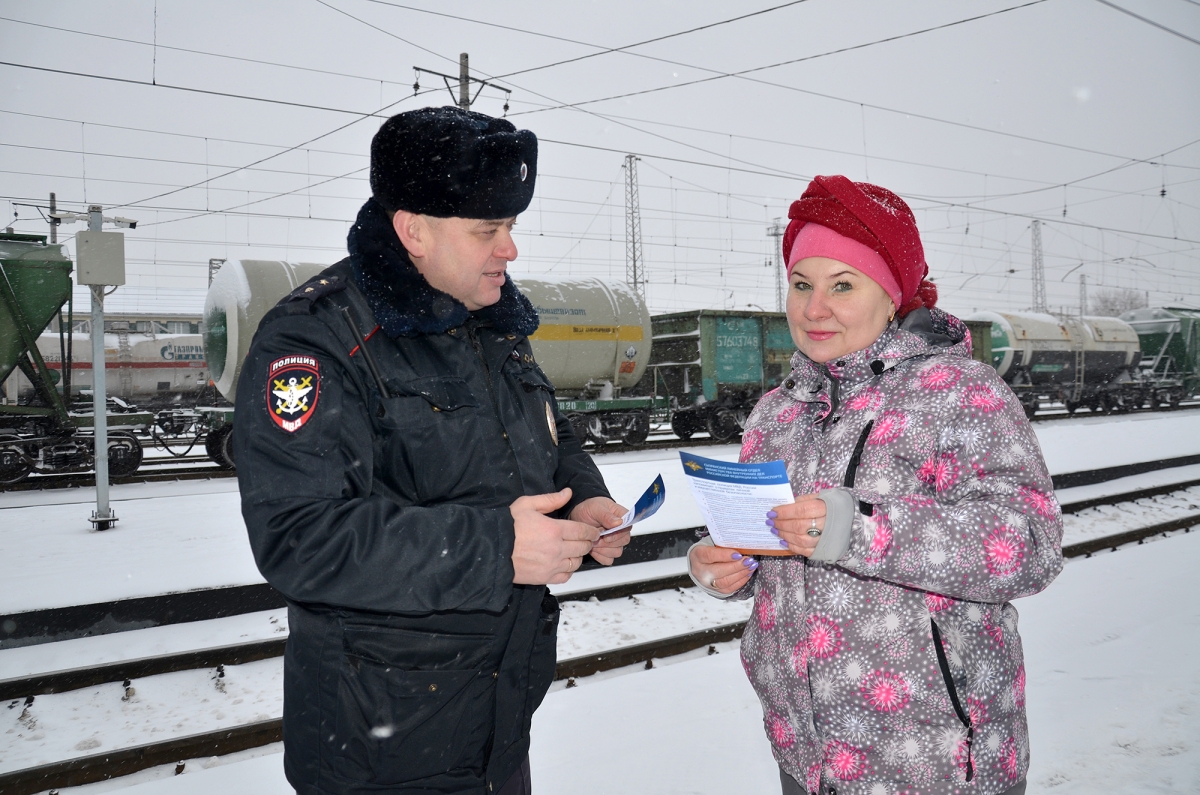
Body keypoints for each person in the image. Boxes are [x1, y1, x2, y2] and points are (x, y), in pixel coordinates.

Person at [234, 106, 631, 795]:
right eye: (489, 230)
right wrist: (497, 548)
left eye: (510, 228)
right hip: (381, 746)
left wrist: (584, 491)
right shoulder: (316, 341)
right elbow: (300, 536)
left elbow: (544, 426)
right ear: (413, 230)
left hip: (493, 721)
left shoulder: (489, 319)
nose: (510, 249)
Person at [689, 175, 1063, 795]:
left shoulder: (961, 395)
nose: (814, 308)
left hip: (934, 756)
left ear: (891, 296)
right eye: (802, 285)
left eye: (843, 285)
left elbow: (1028, 545)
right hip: (808, 755)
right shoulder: (778, 413)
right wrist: (726, 563)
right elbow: (774, 541)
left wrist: (857, 528)